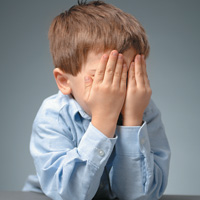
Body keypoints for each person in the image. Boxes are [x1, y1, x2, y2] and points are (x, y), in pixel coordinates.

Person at [23, 1, 171, 199]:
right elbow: (71, 194)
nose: (116, 90)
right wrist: (103, 121)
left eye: (127, 77)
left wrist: (133, 121)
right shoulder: (53, 114)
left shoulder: (144, 110)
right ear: (64, 81)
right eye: (103, 77)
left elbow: (139, 195)